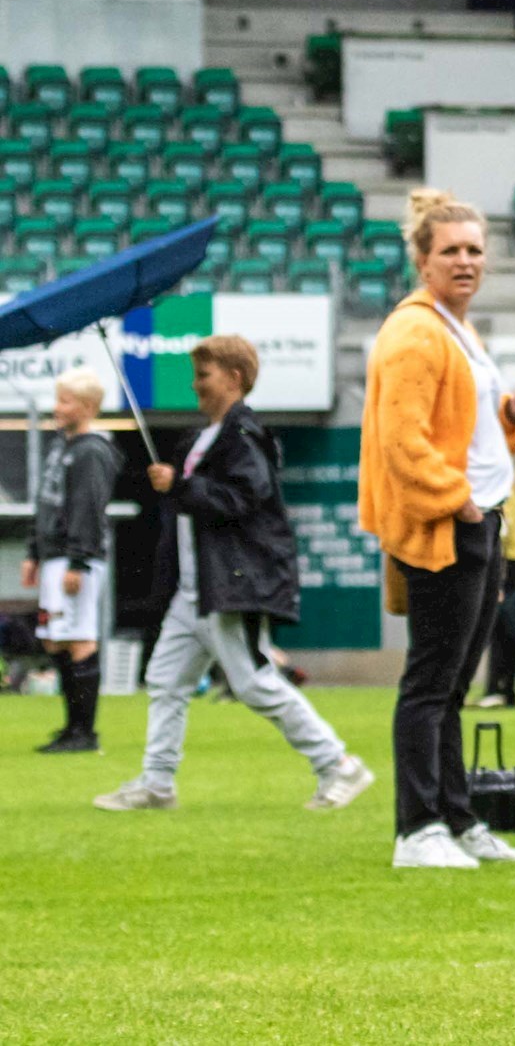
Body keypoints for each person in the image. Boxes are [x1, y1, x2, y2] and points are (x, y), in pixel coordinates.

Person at [92, 337, 373, 813]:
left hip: (228, 585)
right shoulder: (207, 437)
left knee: (254, 684)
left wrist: (180, 485)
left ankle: (338, 763)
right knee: (165, 680)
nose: (194, 385)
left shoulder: (242, 435)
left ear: (234, 378)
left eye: (203, 375)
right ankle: (157, 783)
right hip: (196, 591)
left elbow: (243, 499)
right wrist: (178, 486)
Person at [360, 188, 515, 871]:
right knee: (431, 682)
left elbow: (474, 431)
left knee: (453, 684)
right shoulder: (415, 332)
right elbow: (401, 440)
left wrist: (510, 414)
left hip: (480, 518)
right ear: (423, 260)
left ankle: (456, 818)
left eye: (474, 250)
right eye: (451, 251)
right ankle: (417, 828)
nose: (465, 261)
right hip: (449, 523)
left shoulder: (457, 329)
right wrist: (457, 501)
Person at [25, 367, 122, 754]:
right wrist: (34, 551)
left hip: (74, 559)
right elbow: (46, 503)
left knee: (79, 638)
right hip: (54, 556)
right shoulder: (61, 446)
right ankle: (71, 728)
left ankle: (84, 733)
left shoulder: (91, 451)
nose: (57, 407)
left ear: (87, 407)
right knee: (56, 640)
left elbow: (87, 509)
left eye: (65, 401)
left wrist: (78, 562)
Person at [476, 475, 515, 709]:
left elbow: (504, 528)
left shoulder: (499, 481)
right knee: (511, 628)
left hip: (508, 560)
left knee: (498, 627)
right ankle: (506, 690)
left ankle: (497, 689)